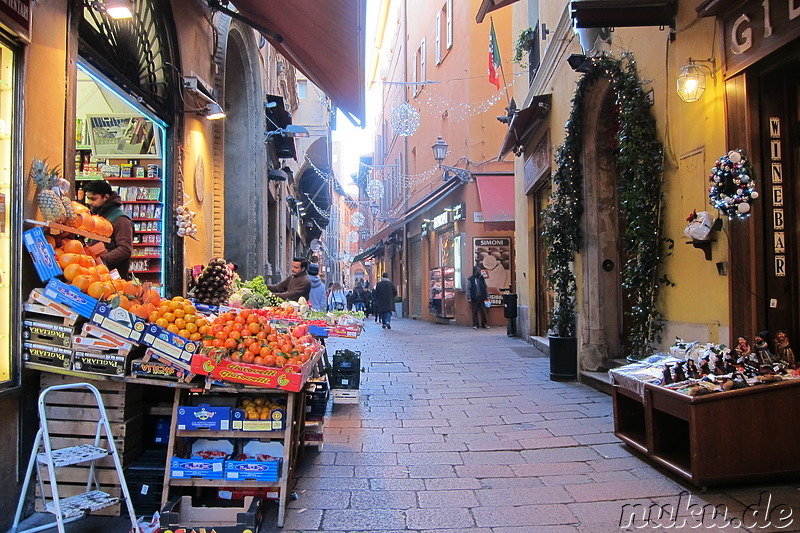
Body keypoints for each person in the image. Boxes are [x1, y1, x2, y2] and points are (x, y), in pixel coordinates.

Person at [83, 179, 134, 279]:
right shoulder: (101, 215)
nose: (90, 203)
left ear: (106, 197)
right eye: (88, 199)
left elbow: (125, 249)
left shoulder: (121, 219)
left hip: (114, 277)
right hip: (100, 274)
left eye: (94, 199)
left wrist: (101, 259)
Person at [466, 265, 489, 329]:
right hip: (474, 298)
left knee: (483, 312)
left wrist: (487, 296)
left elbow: (485, 287)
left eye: (480, 270)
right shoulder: (471, 279)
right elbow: (468, 289)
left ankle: (484, 324)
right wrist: (469, 298)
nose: (480, 272)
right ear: (475, 271)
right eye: (478, 270)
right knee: (475, 312)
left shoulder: (482, 278)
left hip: (482, 298)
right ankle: (476, 324)